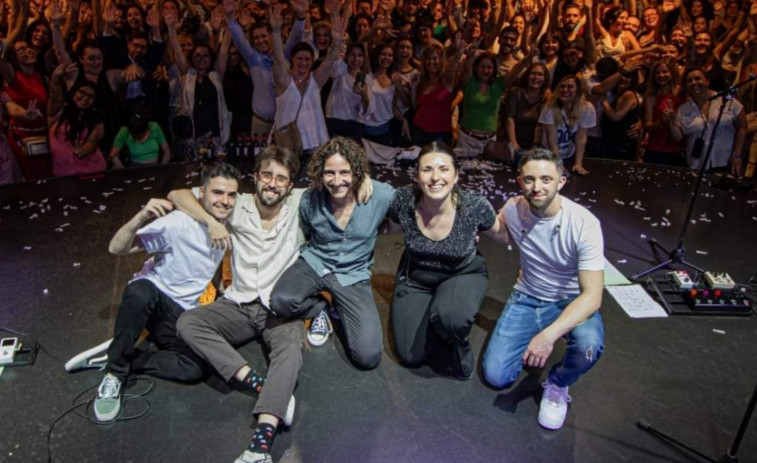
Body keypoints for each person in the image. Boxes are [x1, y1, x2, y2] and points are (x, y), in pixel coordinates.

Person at [168, 147, 324, 463]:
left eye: (282, 178)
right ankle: (259, 384)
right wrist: (210, 222)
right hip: (239, 303)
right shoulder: (236, 204)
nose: (273, 183)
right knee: (188, 323)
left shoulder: (299, 203)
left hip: (280, 308)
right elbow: (177, 194)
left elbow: (342, 187)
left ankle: (260, 447)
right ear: (256, 177)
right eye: (267, 175)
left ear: (290, 185)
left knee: (290, 351)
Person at [64, 162, 244, 423]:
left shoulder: (225, 225)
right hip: (153, 296)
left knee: (195, 368)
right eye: (218, 193)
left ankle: (124, 357)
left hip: (180, 312)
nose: (225, 201)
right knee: (141, 291)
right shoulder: (177, 223)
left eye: (231, 195)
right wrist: (140, 217)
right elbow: (117, 249)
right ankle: (115, 373)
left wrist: (218, 288)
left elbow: (209, 261)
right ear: (201, 192)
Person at [482, 148, 605, 431]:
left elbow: (592, 296)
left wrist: (548, 337)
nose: (537, 187)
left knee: (588, 346)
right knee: (496, 377)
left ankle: (558, 383)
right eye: (530, 179)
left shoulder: (584, 224)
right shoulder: (514, 208)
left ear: (561, 181)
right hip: (527, 296)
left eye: (546, 179)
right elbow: (502, 235)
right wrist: (477, 220)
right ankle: (532, 335)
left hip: (570, 299)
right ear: (519, 180)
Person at [386, 142, 507, 380]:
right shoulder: (404, 200)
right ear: (417, 175)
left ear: (456, 175)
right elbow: (387, 227)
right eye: (427, 169)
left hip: (462, 274)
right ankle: (435, 318)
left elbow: (504, 233)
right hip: (416, 279)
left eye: (443, 169)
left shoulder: (473, 205)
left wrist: (524, 209)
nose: (435, 177)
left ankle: (454, 335)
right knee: (411, 356)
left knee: (451, 319)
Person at [269, 137, 393, 367]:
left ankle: (341, 305)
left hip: (352, 274)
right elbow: (306, 230)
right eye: (329, 173)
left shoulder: (379, 195)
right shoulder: (310, 199)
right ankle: (322, 308)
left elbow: (413, 206)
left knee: (368, 356)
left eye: (345, 172)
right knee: (280, 302)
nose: (337, 181)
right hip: (316, 262)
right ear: (320, 172)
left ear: (356, 171)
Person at [670, 67, 746, 174]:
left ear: (707, 80)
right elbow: (677, 138)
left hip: (724, 161)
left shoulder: (727, 101)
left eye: (697, 78)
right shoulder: (684, 109)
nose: (693, 83)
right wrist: (671, 121)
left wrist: (736, 155)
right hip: (696, 164)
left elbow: (742, 128)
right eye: (689, 81)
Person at [47, 66, 107, 177]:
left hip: (92, 173)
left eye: (90, 97)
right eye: (82, 92)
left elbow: (92, 142)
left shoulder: (96, 120)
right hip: (64, 175)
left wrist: (85, 149)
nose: (85, 98)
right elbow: (55, 97)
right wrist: (55, 80)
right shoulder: (59, 113)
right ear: (74, 92)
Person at [538, 74, 596, 175]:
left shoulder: (587, 108)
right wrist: (557, 163)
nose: (565, 90)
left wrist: (578, 163)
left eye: (570, 87)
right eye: (562, 86)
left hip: (570, 155)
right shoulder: (549, 108)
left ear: (578, 91)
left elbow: (581, 137)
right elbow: (551, 138)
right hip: (549, 154)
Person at [503, 61, 550, 154]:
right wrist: (513, 141)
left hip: (534, 145)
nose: (536, 77)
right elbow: (509, 118)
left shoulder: (546, 98)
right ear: (527, 76)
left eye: (540, 75)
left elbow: (540, 125)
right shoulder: (515, 92)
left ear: (545, 79)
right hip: (512, 141)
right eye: (533, 73)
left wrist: (535, 145)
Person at [109, 104, 171, 169]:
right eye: (135, 136)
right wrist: (115, 160)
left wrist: (162, 168)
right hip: (135, 168)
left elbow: (166, 151)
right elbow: (112, 155)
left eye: (141, 136)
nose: (139, 139)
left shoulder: (154, 127)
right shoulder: (124, 132)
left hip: (155, 167)